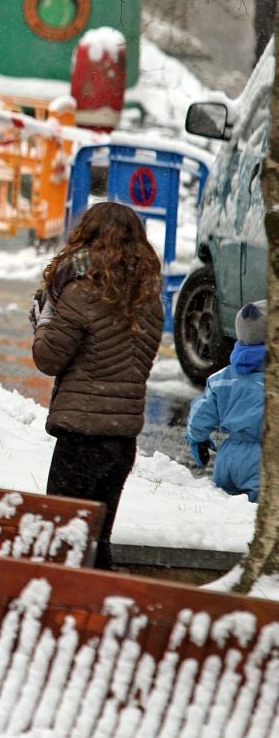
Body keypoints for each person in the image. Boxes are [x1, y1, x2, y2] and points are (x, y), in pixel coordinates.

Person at [30, 201, 163, 571]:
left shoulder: (80, 291)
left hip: (81, 438)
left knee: (64, 542)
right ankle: (101, 613)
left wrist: (44, 321)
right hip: (121, 441)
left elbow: (48, 358)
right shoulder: (148, 298)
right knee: (98, 542)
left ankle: (68, 618)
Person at [186, 299, 266, 503]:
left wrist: (197, 438)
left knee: (224, 510)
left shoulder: (221, 379)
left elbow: (201, 414)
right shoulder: (271, 383)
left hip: (228, 457)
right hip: (264, 460)